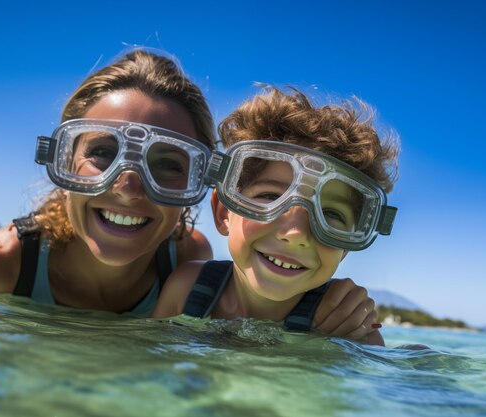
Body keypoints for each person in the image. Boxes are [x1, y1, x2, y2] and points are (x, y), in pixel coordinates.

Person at [0, 49, 378, 337]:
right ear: (65, 161)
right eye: (103, 153)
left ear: (201, 182)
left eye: (168, 164)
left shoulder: (187, 260)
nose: (128, 186)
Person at [152, 87, 399, 345]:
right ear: (224, 212)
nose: (296, 234)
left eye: (330, 214)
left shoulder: (348, 329)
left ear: (344, 246)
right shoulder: (188, 288)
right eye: (270, 197)